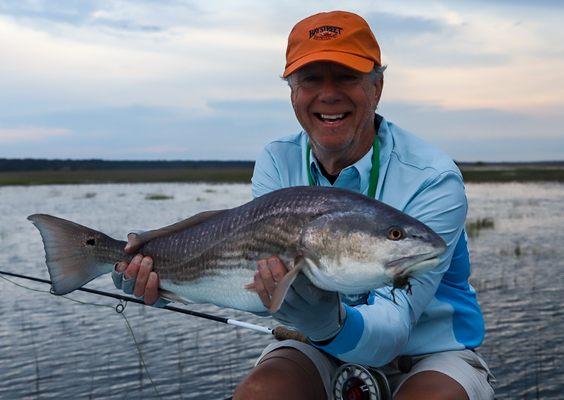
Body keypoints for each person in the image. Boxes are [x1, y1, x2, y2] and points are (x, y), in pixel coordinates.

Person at [113, 10, 495, 400]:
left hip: (429, 352)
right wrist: (166, 277)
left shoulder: (432, 177)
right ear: (293, 92)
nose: (329, 94)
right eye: (311, 78)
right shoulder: (277, 160)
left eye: (347, 76)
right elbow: (259, 289)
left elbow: (393, 329)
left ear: (377, 87)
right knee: (261, 392)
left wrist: (326, 321)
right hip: (315, 342)